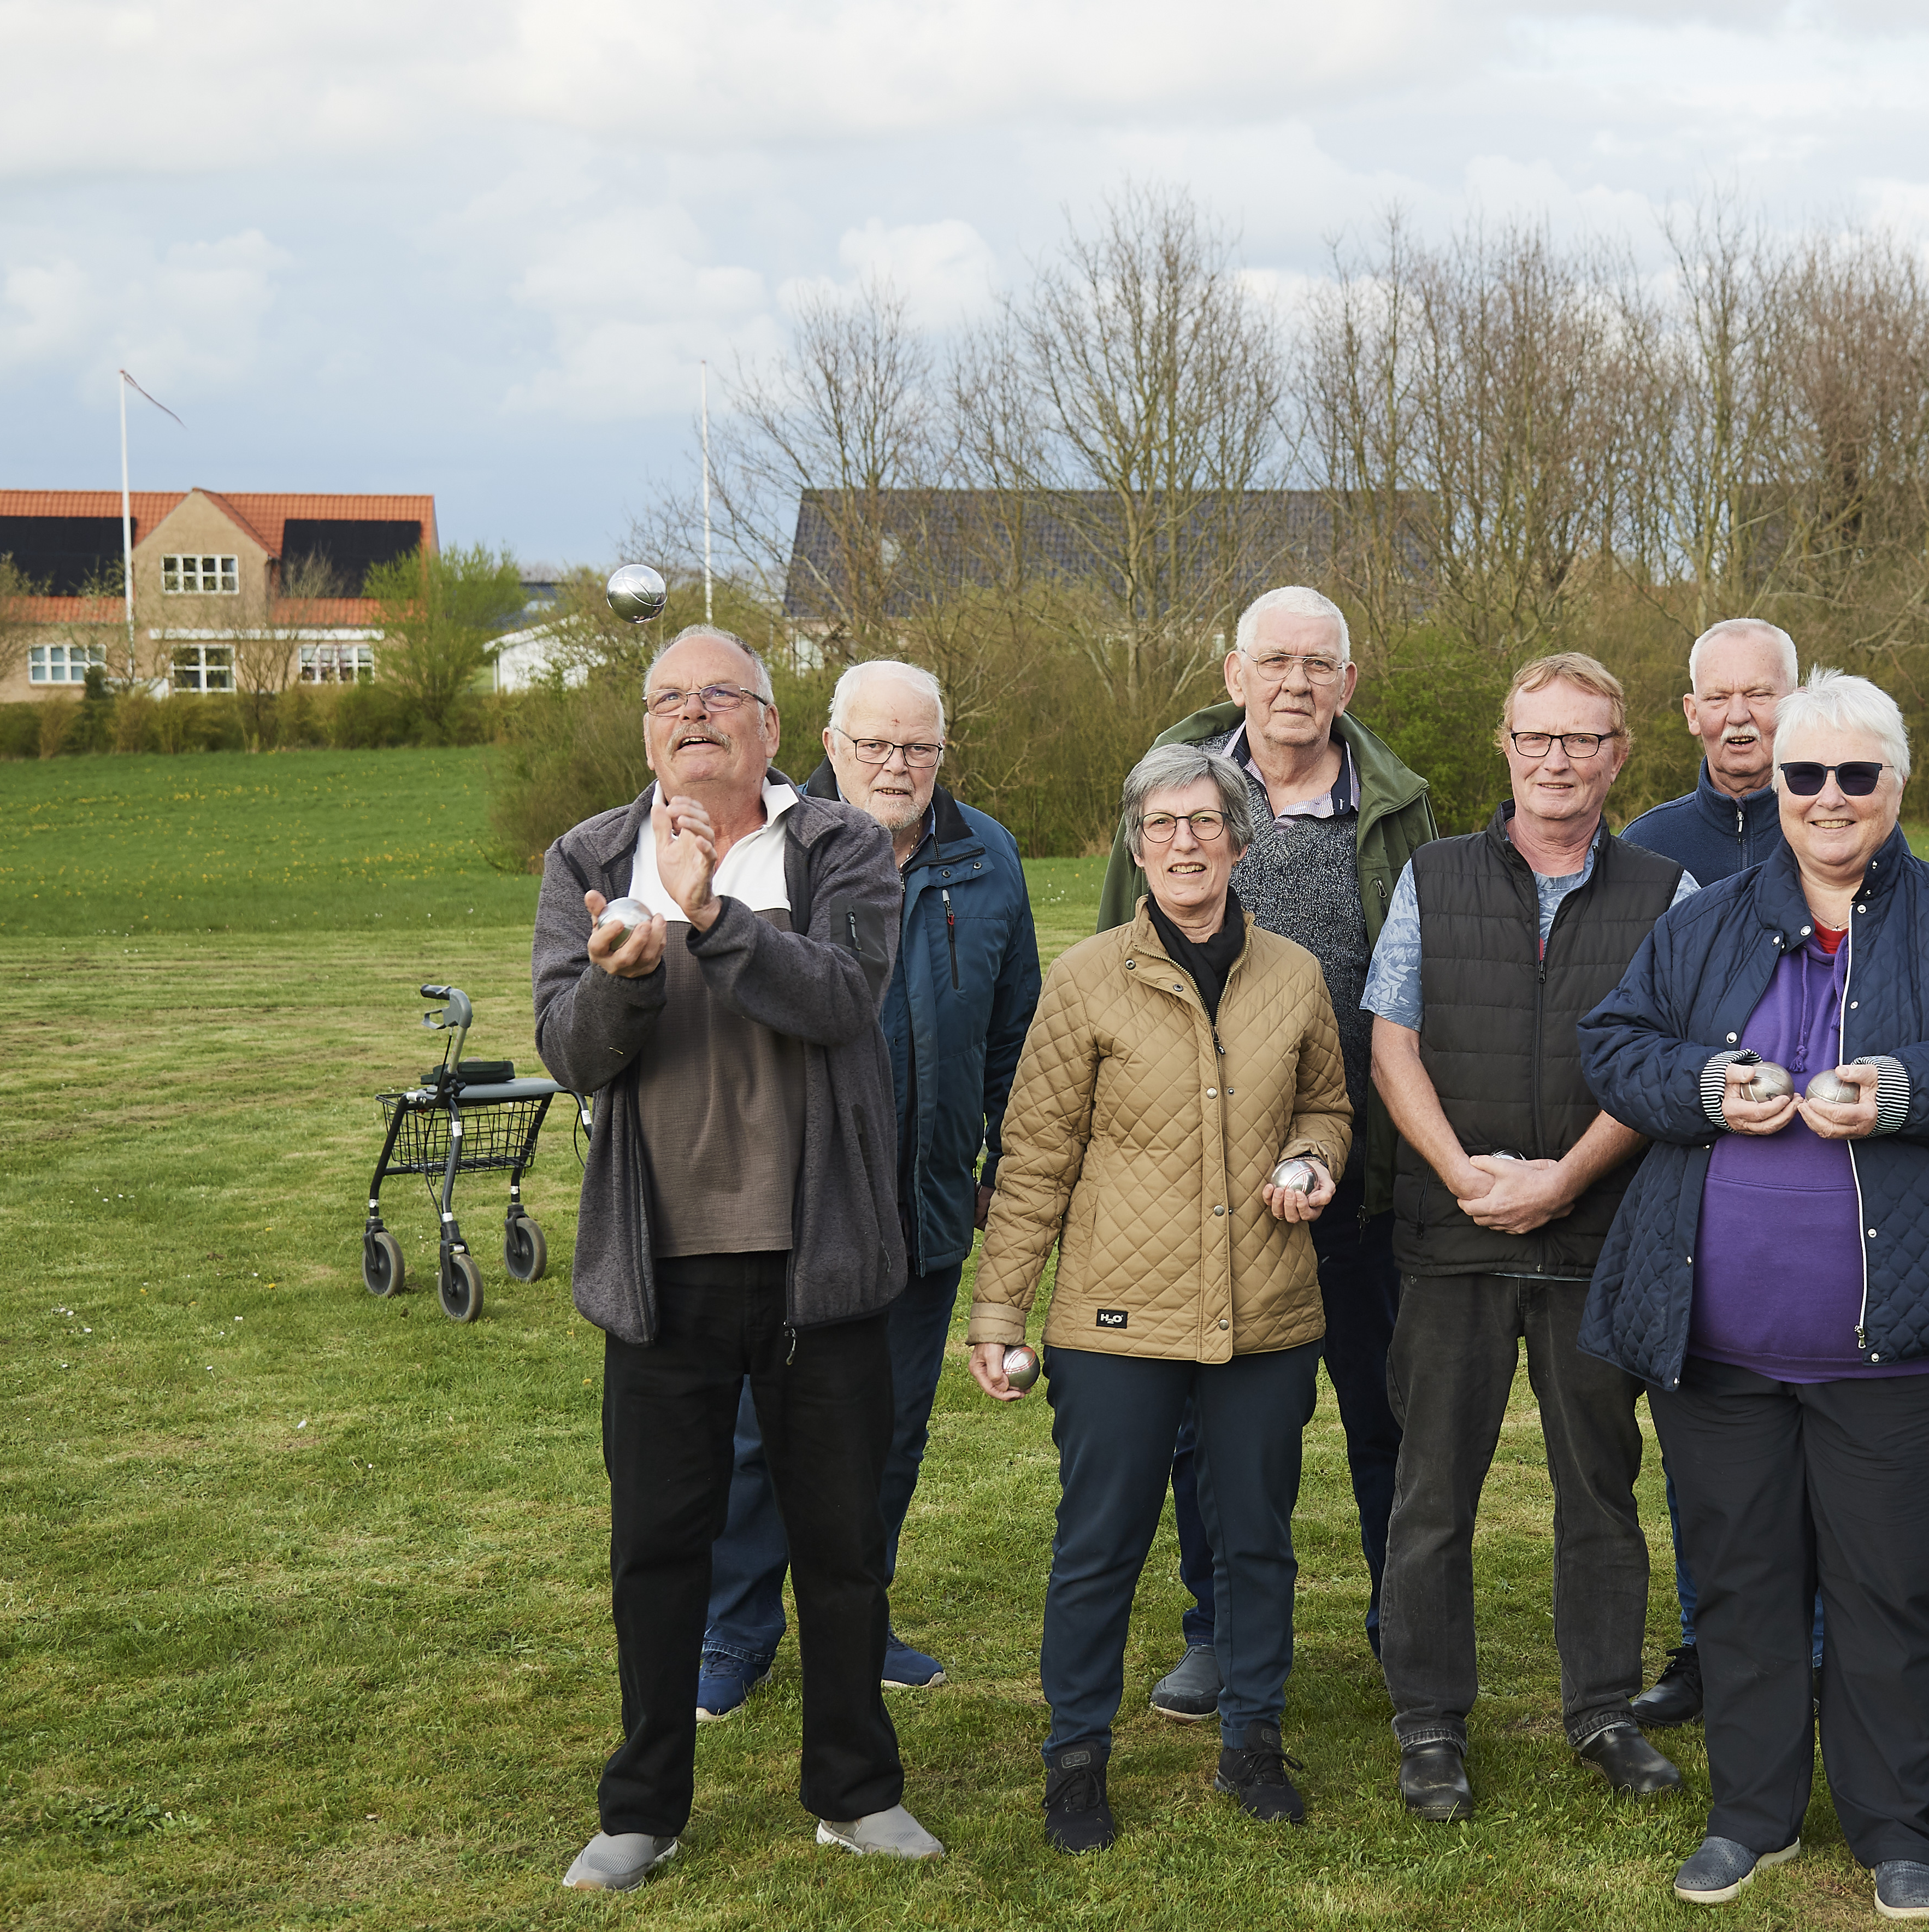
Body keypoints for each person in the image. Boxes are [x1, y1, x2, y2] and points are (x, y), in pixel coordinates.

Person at [1580, 668, 1929, 1920]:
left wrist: (1898, 1088)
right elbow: (1614, 1042)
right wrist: (1700, 1083)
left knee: (1890, 1591)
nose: (1830, 797)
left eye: (1858, 774)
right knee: (1740, 1586)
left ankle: (1896, 1823)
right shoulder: (1708, 919)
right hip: (1725, 1345)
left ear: (1897, 786)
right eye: (1807, 775)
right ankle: (1750, 1814)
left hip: (1904, 1349)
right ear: (1776, 788)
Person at [532, 625, 937, 1890]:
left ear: (770, 726)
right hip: (663, 1272)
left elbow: (841, 998)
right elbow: (569, 1047)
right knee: (657, 1545)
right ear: (646, 728)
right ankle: (642, 1808)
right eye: (669, 699)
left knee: (840, 1540)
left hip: (819, 1262)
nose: (692, 714)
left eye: (720, 696)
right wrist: (626, 979)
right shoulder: (591, 857)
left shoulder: (839, 846)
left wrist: (711, 916)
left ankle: (856, 1790)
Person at [969, 743, 1354, 1853]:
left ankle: (1253, 1745)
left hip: (1266, 1314)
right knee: (1099, 1544)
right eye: (1160, 824)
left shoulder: (1293, 975)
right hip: (1114, 1319)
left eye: (1204, 821)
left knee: (1257, 1543)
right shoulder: (1086, 978)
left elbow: (1327, 1106)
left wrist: (1314, 1160)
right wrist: (999, 1313)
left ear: (1241, 839)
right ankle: (1075, 1761)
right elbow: (1033, 1158)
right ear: (1135, 847)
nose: (1184, 841)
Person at [1366, 651, 1697, 1822]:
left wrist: (1562, 1178)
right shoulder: (1431, 874)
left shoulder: (1670, 894)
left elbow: (1665, 1063)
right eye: (1537, 737)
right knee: (1430, 1493)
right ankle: (1429, 1726)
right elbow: (1392, 1043)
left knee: (1598, 1492)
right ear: (1504, 746)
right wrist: (1464, 1172)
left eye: (1583, 738)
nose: (1558, 759)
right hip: (1451, 1239)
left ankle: (1603, 1710)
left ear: (1618, 753)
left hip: (1596, 1240)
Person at [1096, 586, 1438, 1715]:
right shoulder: (1167, 792)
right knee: (1217, 1431)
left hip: (1368, 1176)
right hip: (1210, 1188)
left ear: (1351, 679)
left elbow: (1427, 988)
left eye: (1318, 664)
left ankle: (1406, 1624)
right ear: (1233, 671)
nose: (1296, 682)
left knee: (1387, 1413)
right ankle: (1218, 1625)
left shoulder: (1402, 808)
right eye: (1275, 661)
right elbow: (1115, 970)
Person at [691, 659, 1041, 1719]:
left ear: (943, 751)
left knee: (886, 1435)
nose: (898, 764)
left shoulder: (987, 859)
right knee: (763, 1429)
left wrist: (994, 1165)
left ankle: (857, 1617)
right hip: (783, 1211)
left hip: (921, 1209)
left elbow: (1015, 1035)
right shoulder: (764, 851)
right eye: (877, 744)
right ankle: (736, 1627)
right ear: (830, 745)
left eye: (919, 747)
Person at [1618, 616, 1805, 1727]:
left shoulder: (1840, 817)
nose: (1741, 716)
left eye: (1763, 693)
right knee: (1700, 1438)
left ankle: (1818, 1638)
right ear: (1689, 713)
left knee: (1822, 1429)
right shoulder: (1649, 847)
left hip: (1827, 1179)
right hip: (1690, 1185)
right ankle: (1705, 1640)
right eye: (1719, 696)